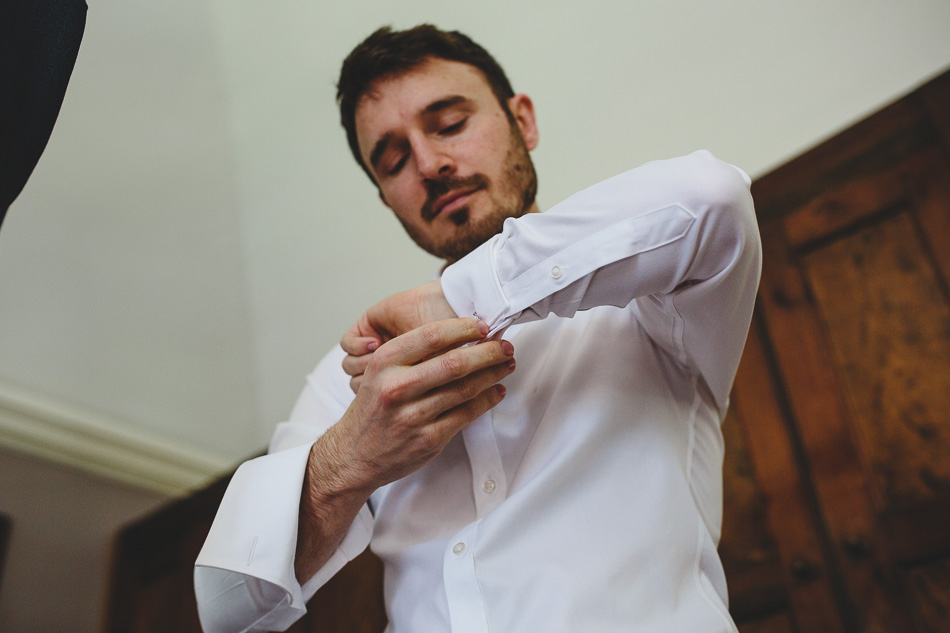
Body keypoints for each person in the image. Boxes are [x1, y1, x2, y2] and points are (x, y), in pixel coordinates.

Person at [195, 24, 761, 633]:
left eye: (449, 124)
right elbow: (230, 607)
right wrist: (349, 460)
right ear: (387, 197)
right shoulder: (359, 374)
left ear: (524, 121)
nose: (430, 165)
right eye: (393, 159)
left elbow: (714, 198)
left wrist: (453, 299)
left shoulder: (657, 307)